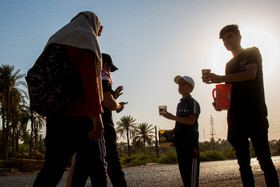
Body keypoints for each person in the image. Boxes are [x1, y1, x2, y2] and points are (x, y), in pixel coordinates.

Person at [33, 11, 107, 187]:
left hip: (55, 118)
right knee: (97, 169)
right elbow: (90, 83)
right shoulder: (86, 39)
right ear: (93, 24)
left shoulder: (55, 39)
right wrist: (97, 118)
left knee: (51, 171)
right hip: (81, 118)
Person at [203, 24, 279, 187]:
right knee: (243, 165)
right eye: (223, 39)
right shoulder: (229, 65)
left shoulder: (252, 52)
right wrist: (220, 103)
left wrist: (219, 78)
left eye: (229, 36)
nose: (226, 41)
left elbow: (251, 74)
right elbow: (230, 90)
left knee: (264, 159)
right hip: (236, 118)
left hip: (255, 114)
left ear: (239, 37)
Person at [69, 53, 128, 187]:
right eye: (109, 68)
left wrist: (113, 95)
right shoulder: (103, 78)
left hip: (84, 129)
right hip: (102, 130)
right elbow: (108, 104)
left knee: (82, 167)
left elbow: (99, 99)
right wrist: (118, 106)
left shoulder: (87, 77)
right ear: (105, 64)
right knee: (111, 166)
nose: (109, 72)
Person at [161, 75, 200, 187]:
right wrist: (173, 131)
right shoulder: (180, 104)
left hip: (190, 144)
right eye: (179, 85)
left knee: (191, 176)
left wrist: (172, 117)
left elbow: (191, 121)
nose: (181, 86)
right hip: (180, 144)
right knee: (184, 174)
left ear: (191, 88)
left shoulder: (192, 102)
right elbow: (181, 122)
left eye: (184, 84)